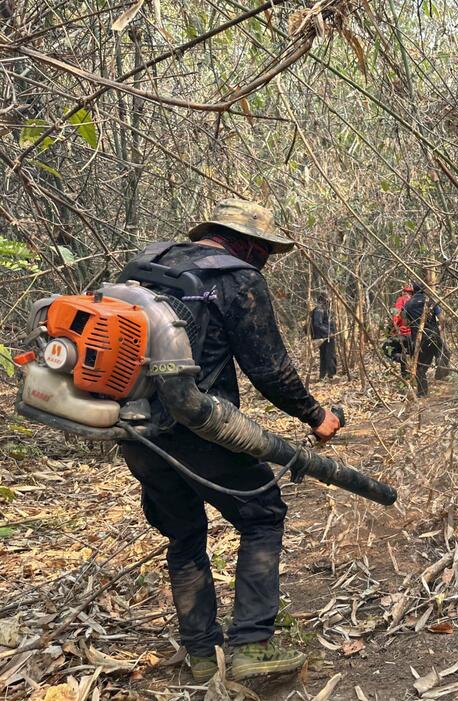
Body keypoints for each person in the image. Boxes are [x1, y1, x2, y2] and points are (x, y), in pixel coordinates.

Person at [118, 199, 342, 683]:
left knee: (183, 534)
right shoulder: (236, 277)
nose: (262, 258)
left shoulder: (147, 264)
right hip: (200, 430)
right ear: (245, 241)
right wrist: (316, 415)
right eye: (262, 248)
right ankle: (250, 647)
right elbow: (269, 369)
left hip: (133, 430)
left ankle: (201, 656)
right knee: (262, 515)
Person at [402, 282, 443, 397]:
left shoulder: (408, 304)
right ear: (424, 290)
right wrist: (440, 328)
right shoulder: (430, 301)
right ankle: (441, 367)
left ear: (413, 291)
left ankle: (422, 393)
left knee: (420, 367)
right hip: (434, 335)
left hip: (420, 339)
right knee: (442, 352)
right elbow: (442, 318)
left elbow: (404, 322)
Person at [310, 294, 337, 379]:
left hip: (324, 336)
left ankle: (324, 375)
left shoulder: (323, 309)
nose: (329, 301)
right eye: (328, 299)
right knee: (329, 355)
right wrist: (329, 333)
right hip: (325, 337)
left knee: (325, 355)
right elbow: (317, 324)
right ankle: (330, 375)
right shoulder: (319, 309)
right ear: (323, 299)